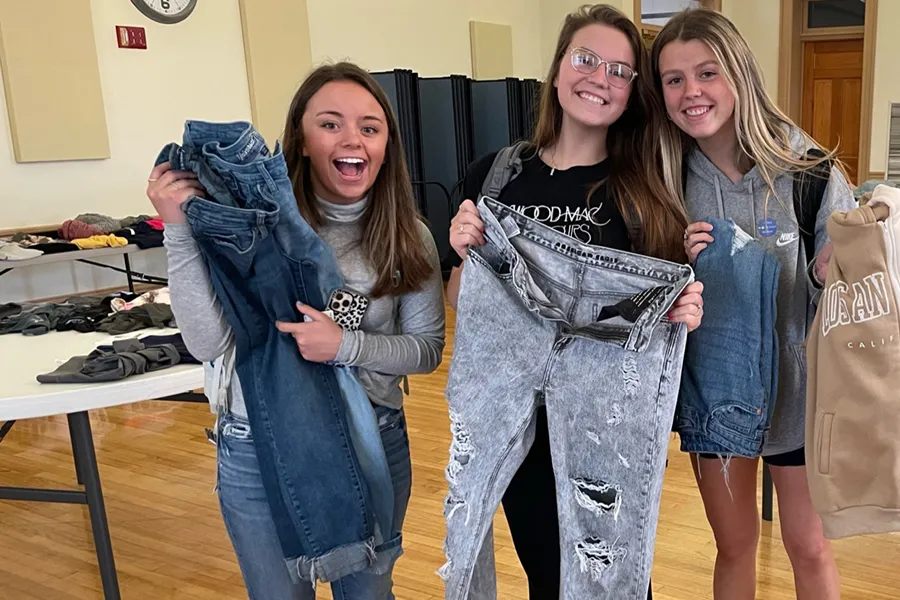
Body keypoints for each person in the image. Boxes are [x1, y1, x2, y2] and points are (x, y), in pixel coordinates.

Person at [146, 62, 446, 599]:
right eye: (330, 124)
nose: (352, 139)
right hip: (257, 446)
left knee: (369, 593)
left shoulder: (407, 236)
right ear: (301, 141)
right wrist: (179, 229)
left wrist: (344, 345)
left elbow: (426, 350)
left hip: (370, 437)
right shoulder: (246, 224)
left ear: (386, 146)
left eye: (370, 127)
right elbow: (208, 344)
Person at [446, 5, 705, 598]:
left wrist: (684, 309)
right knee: (546, 572)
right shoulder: (496, 176)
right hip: (512, 411)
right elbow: (462, 302)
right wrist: (467, 257)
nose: (600, 78)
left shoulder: (644, 191)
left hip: (606, 423)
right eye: (586, 59)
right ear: (559, 68)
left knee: (612, 574)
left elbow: (662, 314)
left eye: (619, 70)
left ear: (631, 90)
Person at [651, 8, 854, 600]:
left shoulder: (808, 170)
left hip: (803, 396)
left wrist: (830, 272)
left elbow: (850, 293)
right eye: (674, 79)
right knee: (734, 547)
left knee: (809, 547)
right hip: (715, 399)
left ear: (739, 73)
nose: (691, 91)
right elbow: (644, 289)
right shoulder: (664, 180)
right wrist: (673, 263)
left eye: (707, 73)